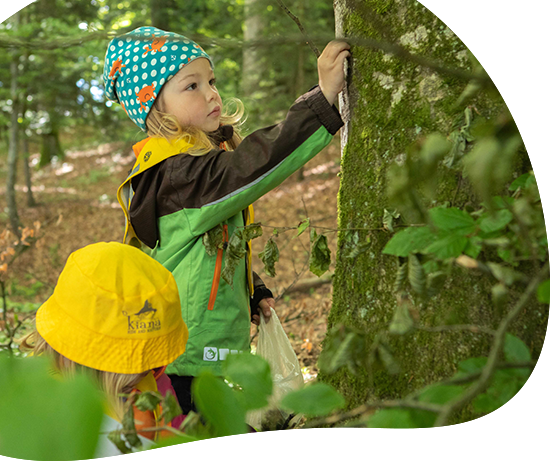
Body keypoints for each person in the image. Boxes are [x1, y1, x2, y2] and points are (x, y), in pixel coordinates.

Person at [104, 26, 349, 414]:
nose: (211, 93)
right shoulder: (178, 174)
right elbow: (251, 167)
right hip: (190, 354)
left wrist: (252, 287)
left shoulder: (184, 170)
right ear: (155, 107)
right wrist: (321, 101)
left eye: (211, 81)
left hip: (195, 348)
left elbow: (197, 254)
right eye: (192, 86)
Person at [20, 242, 189, 459]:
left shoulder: (152, 384)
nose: (147, 372)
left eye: (153, 361)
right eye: (132, 362)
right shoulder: (34, 400)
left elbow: (171, 432)